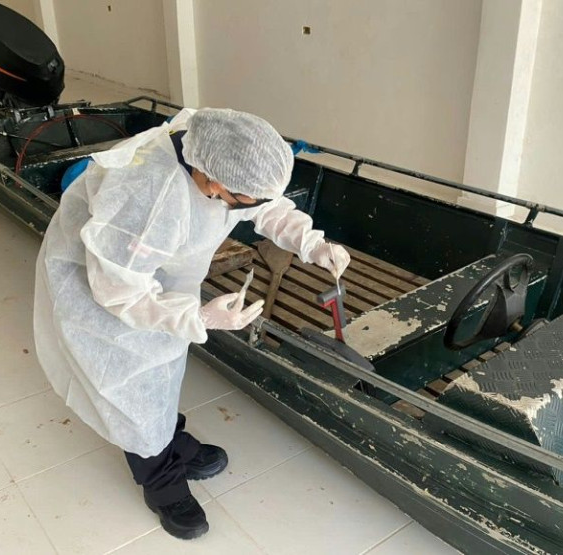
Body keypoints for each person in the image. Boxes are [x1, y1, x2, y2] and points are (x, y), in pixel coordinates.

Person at [33, 108, 350, 540]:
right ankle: (161, 485)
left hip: (155, 275)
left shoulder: (214, 149)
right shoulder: (147, 194)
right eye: (242, 200)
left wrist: (311, 244)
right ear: (214, 183)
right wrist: (197, 316)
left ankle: (172, 440)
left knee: (160, 373)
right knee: (131, 386)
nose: (251, 207)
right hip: (106, 291)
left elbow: (264, 204)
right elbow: (120, 292)